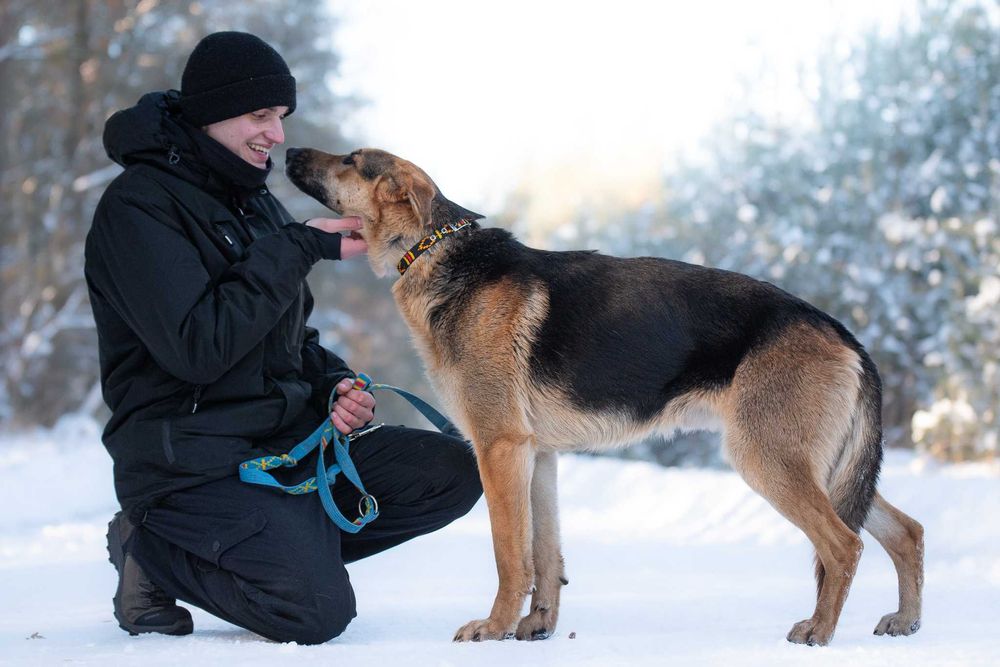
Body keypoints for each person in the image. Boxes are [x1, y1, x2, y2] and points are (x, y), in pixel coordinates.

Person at [85, 31, 482, 644]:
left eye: (281, 117)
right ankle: (151, 546)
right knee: (313, 614)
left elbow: (288, 338)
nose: (276, 133)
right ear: (212, 114)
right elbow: (198, 349)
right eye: (260, 115)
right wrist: (297, 246)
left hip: (282, 443)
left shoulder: (253, 203)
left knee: (454, 469)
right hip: (192, 464)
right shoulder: (138, 209)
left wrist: (333, 385)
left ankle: (279, 546)